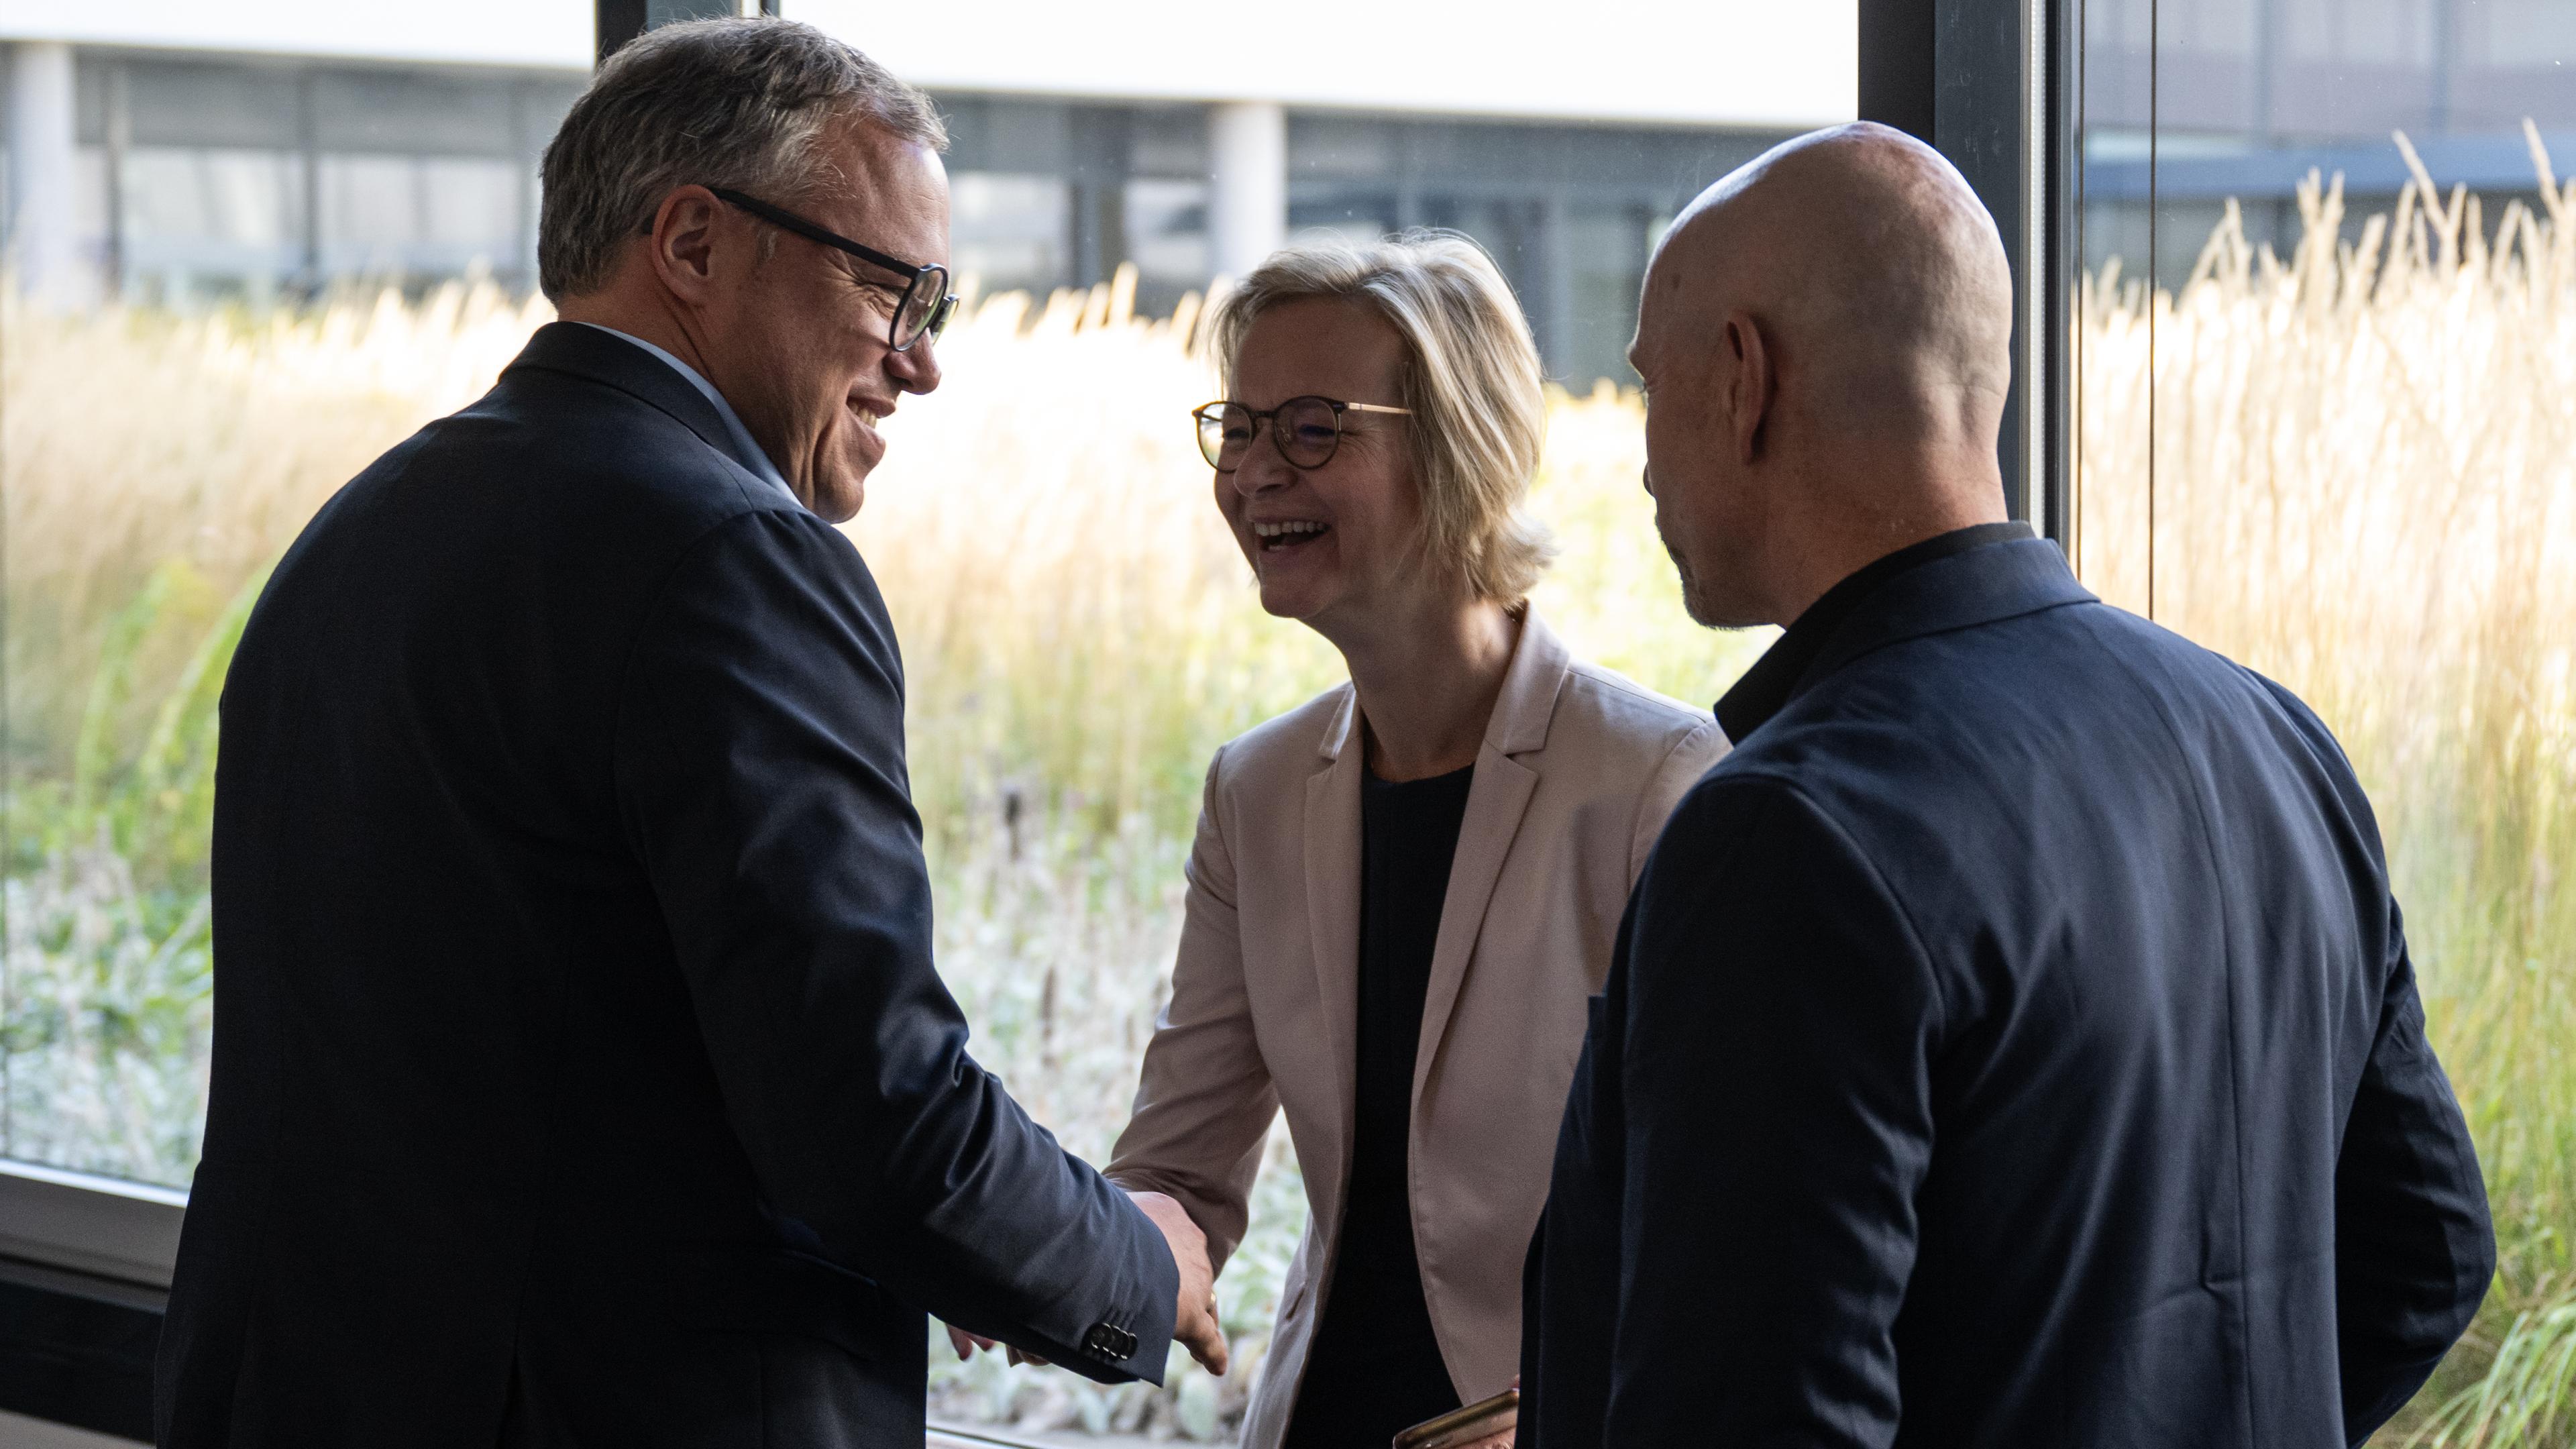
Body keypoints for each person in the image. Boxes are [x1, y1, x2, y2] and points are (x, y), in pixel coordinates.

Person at [155, 21, 1222, 1448]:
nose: (921, 367)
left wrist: (962, 1221)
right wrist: (1139, 1259)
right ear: (696, 244)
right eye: (895, 288)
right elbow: (873, 1123)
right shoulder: (734, 558)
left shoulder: (356, 533)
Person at [1520, 123, 2494, 1448]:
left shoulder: (1795, 833)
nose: (1640, 457)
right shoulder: (2272, 739)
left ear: (1743, 379)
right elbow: (2425, 1257)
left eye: (1650, 387)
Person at [1094, 233, 1727, 1449]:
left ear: (1457, 453)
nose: (1254, 474)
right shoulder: (1256, 789)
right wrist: (1055, 1255)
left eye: (1314, 429)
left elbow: (1727, 1226)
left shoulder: (1658, 781)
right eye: (1241, 426)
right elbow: (1177, 1169)